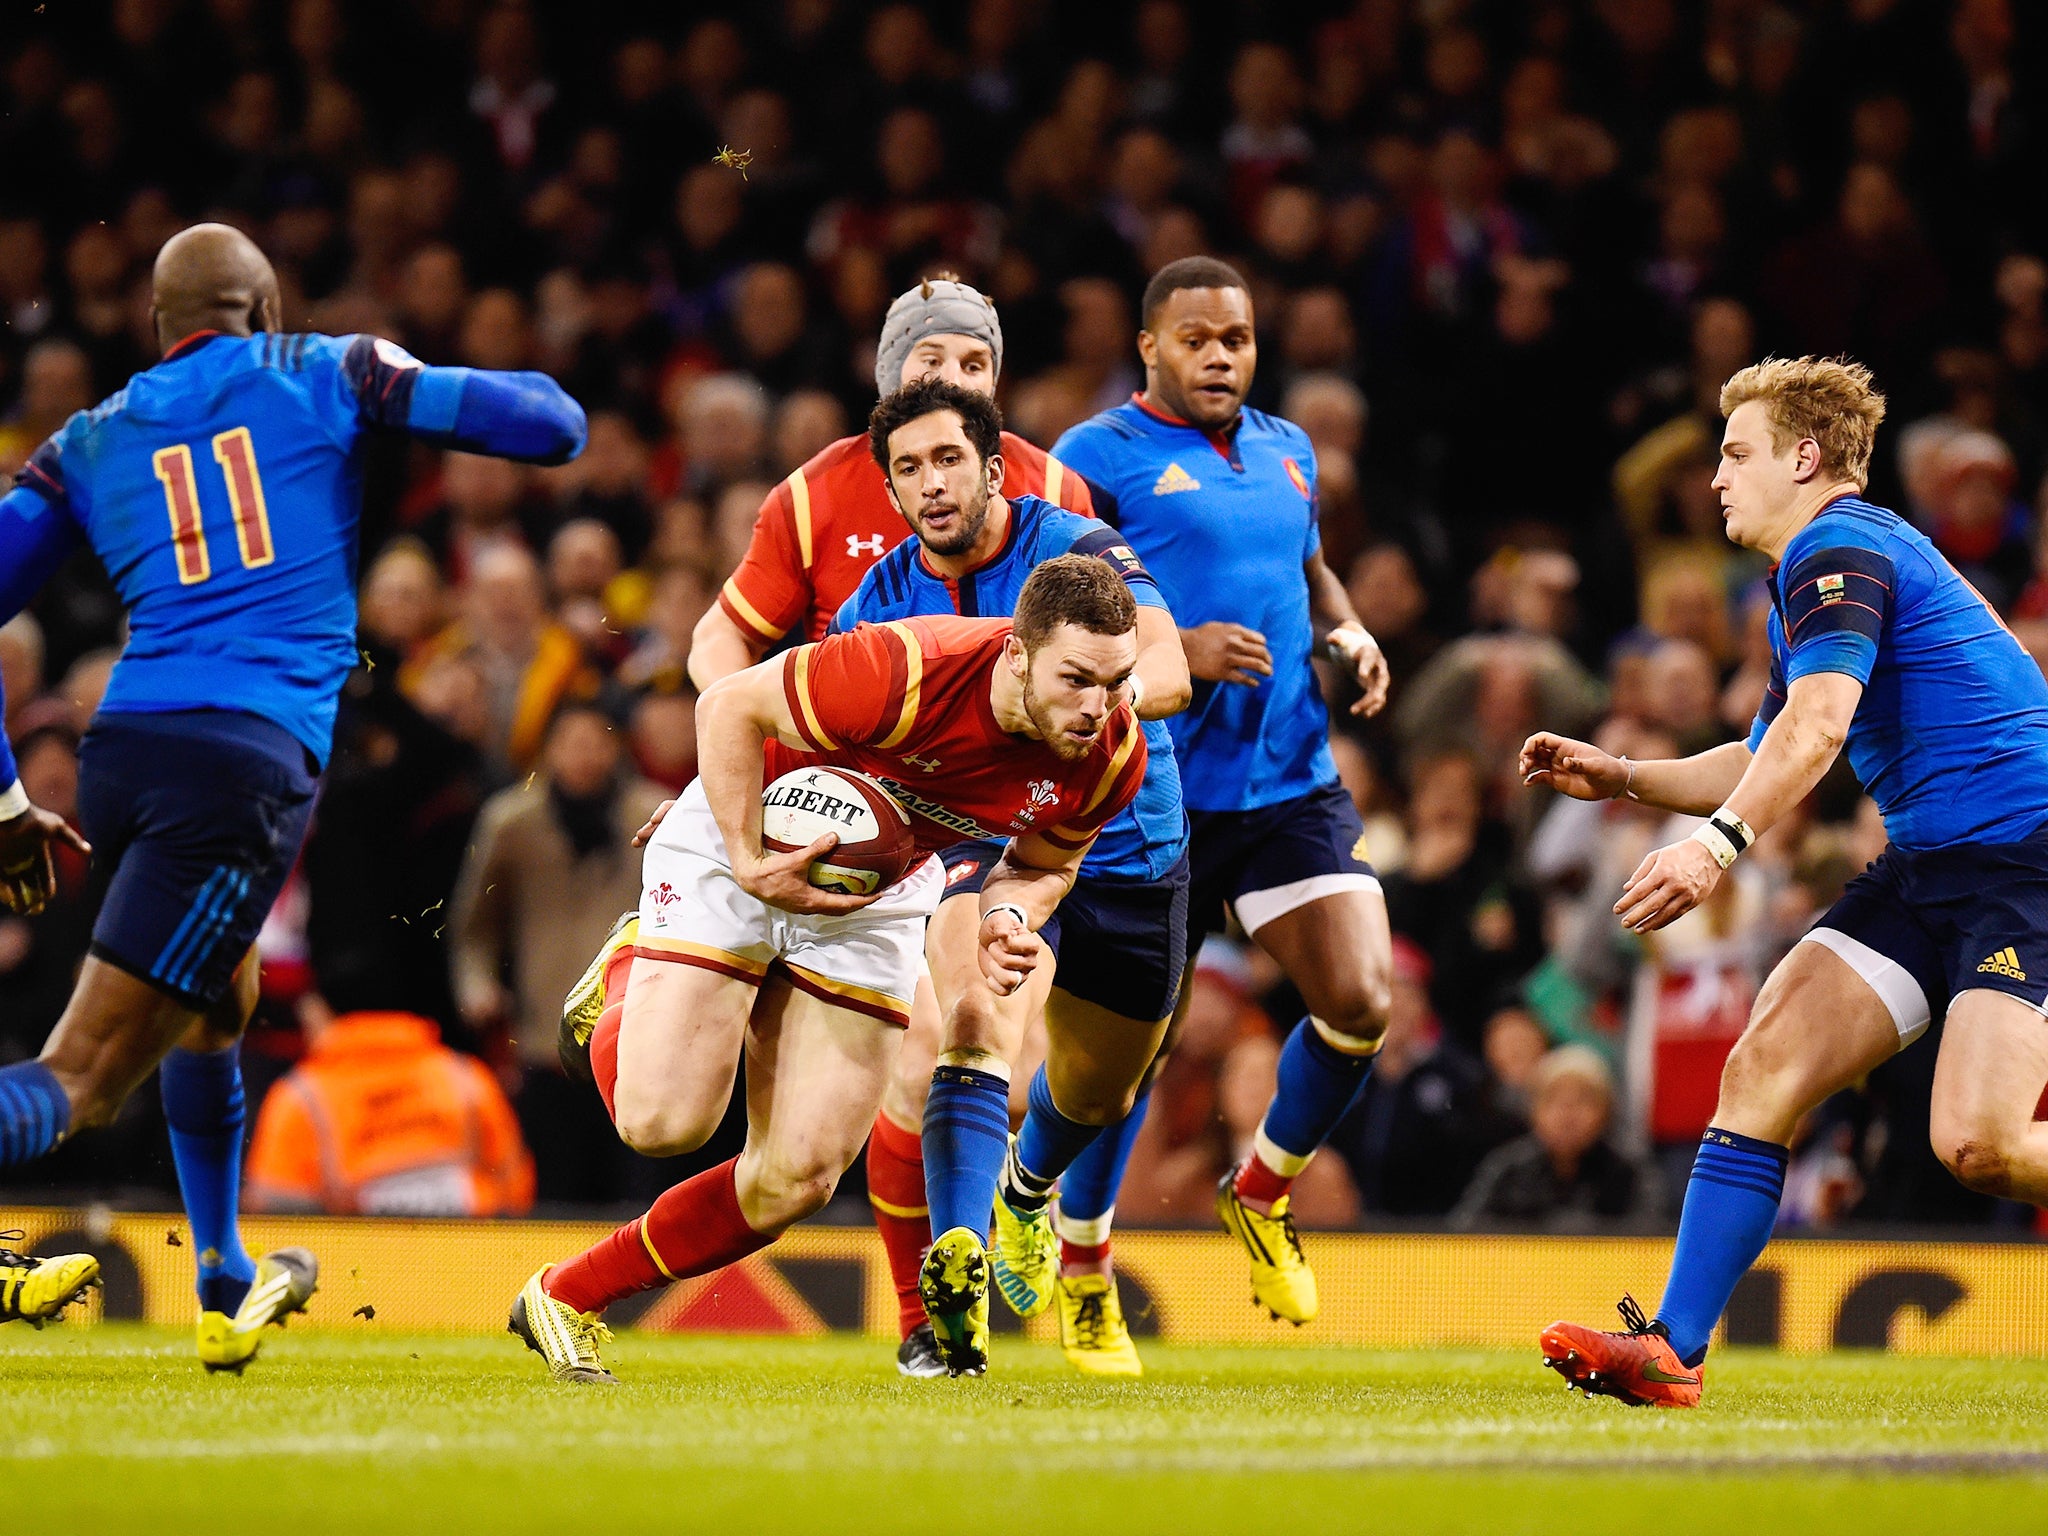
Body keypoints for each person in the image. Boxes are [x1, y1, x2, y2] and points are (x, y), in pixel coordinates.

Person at [0, 224, 586, 1367]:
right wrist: (394, 375)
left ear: (156, 329)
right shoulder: (326, 368)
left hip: (125, 753)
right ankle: (214, 1271)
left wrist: (7, 798)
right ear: (263, 308)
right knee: (84, 1078)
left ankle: (220, 1275)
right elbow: (551, 425)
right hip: (242, 764)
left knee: (218, 998)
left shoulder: (89, 437)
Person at [1524, 356, 2048, 1409]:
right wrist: (1622, 775)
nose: (1714, 475)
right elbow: (1767, 753)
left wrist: (1712, 848)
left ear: (1802, 458)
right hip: (1925, 869)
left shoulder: (1838, 548)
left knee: (1979, 1146)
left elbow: (1814, 735)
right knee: (1760, 1064)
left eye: (1734, 452)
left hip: (2024, 865)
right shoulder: (1807, 582)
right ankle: (1671, 1349)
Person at [511, 555, 1149, 1384]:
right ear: (1018, 656)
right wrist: (745, 857)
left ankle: (564, 1296)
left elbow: (1044, 863)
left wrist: (1006, 914)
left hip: (877, 882)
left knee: (800, 1177)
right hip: (748, 833)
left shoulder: (1110, 753)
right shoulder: (906, 670)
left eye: (1117, 681)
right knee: (661, 1126)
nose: (1098, 708)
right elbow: (729, 704)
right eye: (1077, 680)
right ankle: (627, 969)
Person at [649, 275, 1097, 1378]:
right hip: (845, 808)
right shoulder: (812, 497)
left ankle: (937, 1315)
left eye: (973, 367)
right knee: (806, 1109)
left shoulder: (1054, 492)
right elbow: (721, 645)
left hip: (994, 818)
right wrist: (731, 781)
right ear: (888, 378)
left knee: (971, 1051)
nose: (948, 384)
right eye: (928, 363)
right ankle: (934, 1323)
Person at [1053, 256, 1394, 1325]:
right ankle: (1082, 1265)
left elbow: (1308, 568)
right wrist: (1173, 648)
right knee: (1128, 1058)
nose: (1217, 355)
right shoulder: (1092, 456)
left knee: (1359, 1001)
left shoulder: (1288, 451)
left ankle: (1259, 1190)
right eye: (1194, 337)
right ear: (1148, 346)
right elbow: (1052, 603)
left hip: (1286, 780)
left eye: (1234, 339)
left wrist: (1345, 627)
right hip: (1152, 795)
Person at [832, 378, 1191, 1377]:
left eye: (948, 459)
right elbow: (812, 731)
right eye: (908, 468)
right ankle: (959, 1296)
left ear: (992, 467)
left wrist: (1069, 710)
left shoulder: (1074, 546)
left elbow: (1167, 670)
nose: (930, 484)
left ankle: (1027, 1191)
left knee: (1095, 1090)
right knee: (971, 1023)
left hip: (1128, 845)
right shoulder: (881, 602)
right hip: (983, 845)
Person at [244, 990, 535, 1217]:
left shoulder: (297, 1099)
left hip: (358, 1283)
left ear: (321, 1011)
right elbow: (516, 1192)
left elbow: (278, 1224)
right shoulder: (466, 1077)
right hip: (476, 1274)